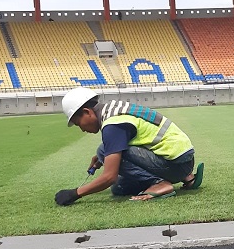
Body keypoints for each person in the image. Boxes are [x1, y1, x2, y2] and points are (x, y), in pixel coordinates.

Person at [54, 87, 204, 206]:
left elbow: (109, 177)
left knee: (103, 150)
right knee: (120, 188)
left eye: (79, 123)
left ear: (87, 112)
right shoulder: (115, 109)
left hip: (174, 165)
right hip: (184, 161)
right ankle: (187, 177)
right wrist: (103, 158)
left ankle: (160, 184)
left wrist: (75, 193)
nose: (82, 129)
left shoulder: (113, 124)